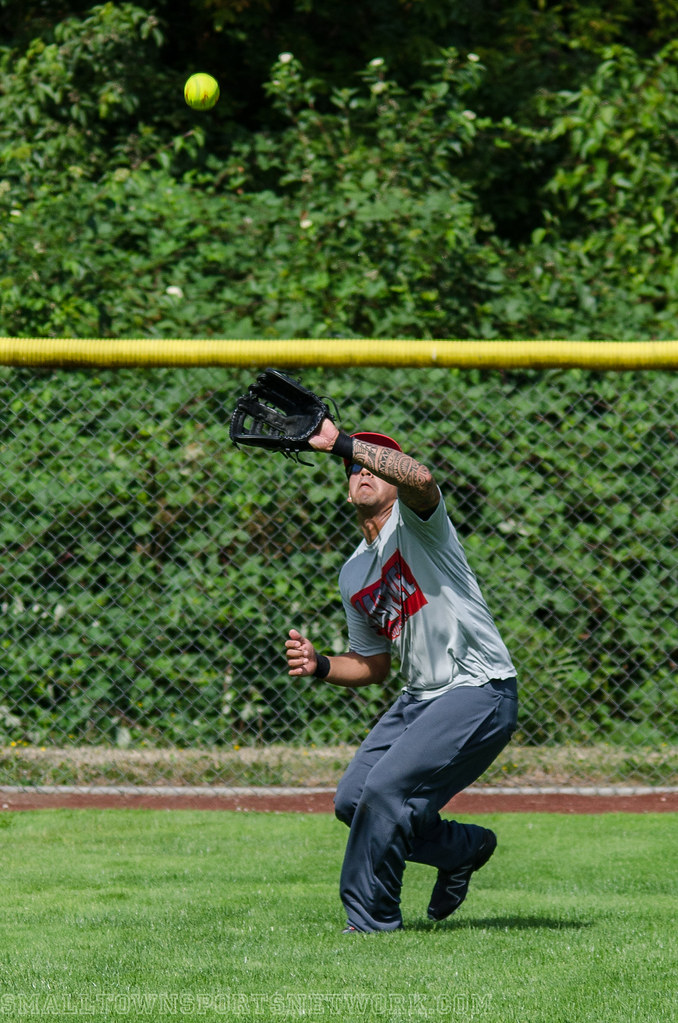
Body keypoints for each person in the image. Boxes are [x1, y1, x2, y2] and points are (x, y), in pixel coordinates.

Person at [285, 418, 518, 933]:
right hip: (420, 698)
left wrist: (344, 444)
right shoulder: (353, 572)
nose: (361, 470)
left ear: (392, 479)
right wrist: (321, 665)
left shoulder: (418, 526)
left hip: (479, 689)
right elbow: (372, 665)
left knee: (386, 788)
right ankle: (462, 849)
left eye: (374, 462)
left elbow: (423, 479)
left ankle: (371, 922)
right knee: (353, 799)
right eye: (354, 468)